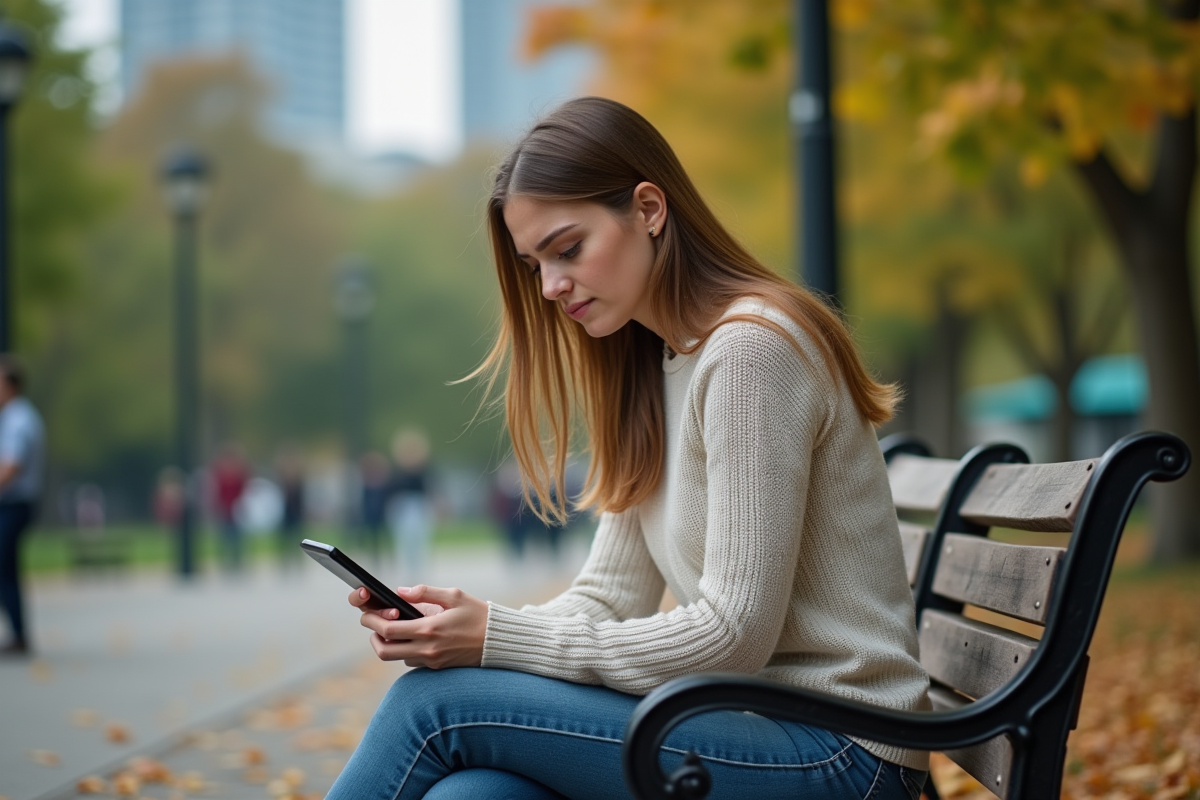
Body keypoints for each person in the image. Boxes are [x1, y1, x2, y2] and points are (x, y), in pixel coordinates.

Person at [329, 97, 930, 800]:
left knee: (430, 709)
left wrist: (494, 640)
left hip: (843, 755)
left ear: (648, 209)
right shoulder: (655, 364)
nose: (551, 286)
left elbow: (732, 635)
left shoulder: (750, 353)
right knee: (476, 796)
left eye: (568, 248)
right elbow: (610, 597)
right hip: (747, 730)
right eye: (534, 265)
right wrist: (467, 626)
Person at [0, 356, 44, 656]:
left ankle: (19, 635)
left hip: (15, 503)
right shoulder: (17, 416)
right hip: (16, 503)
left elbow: (13, 465)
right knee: (7, 568)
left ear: (10, 385)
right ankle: (19, 634)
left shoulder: (18, 418)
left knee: (5, 568)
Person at [385, 428, 435, 583]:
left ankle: (417, 571)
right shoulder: (396, 471)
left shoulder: (423, 471)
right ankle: (406, 570)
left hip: (418, 507)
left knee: (419, 540)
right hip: (403, 508)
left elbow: (429, 491)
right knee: (404, 540)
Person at [210, 444, 250, 574]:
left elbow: (244, 489)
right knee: (225, 537)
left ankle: (237, 562)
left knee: (237, 538)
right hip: (225, 510)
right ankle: (226, 563)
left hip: (236, 510)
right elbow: (218, 492)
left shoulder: (239, 472)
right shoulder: (220, 473)